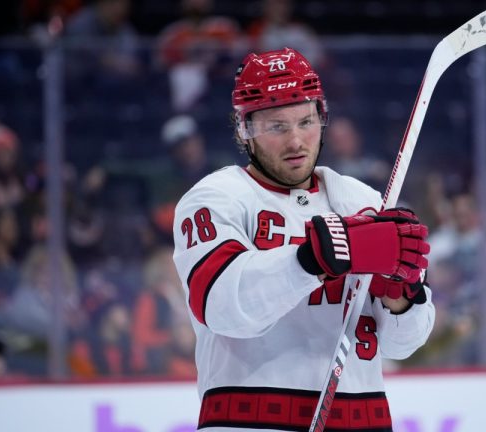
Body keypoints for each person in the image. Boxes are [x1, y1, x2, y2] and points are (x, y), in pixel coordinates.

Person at [172, 47, 434, 431]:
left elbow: (403, 345)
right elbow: (220, 305)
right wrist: (310, 260)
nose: (296, 141)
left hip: (363, 420)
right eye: (277, 127)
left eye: (306, 121)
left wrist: (402, 295)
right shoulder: (216, 199)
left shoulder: (364, 202)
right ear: (244, 130)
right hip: (250, 422)